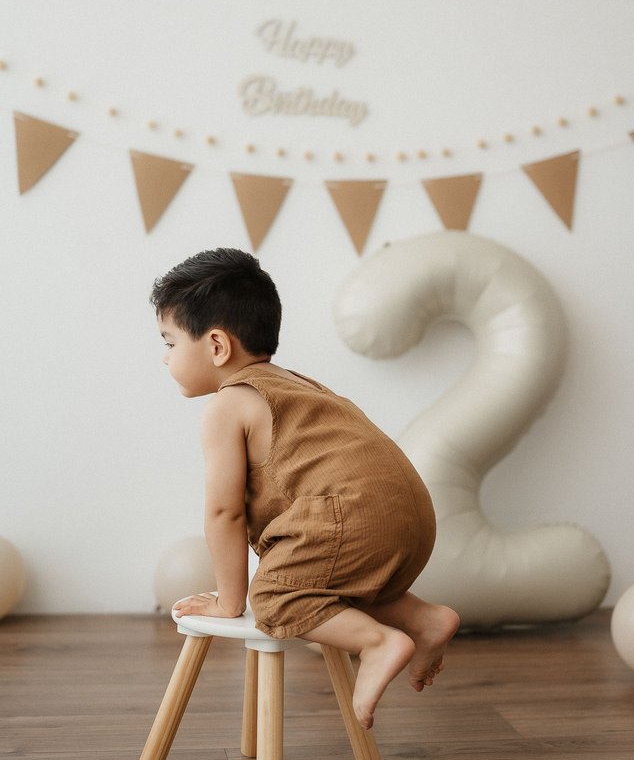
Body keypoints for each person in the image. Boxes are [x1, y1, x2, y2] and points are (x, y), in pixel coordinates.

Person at [150, 247, 459, 729]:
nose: (165, 357)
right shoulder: (297, 384)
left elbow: (225, 513)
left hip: (351, 517)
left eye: (170, 342)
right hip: (411, 513)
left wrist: (231, 601)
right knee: (329, 582)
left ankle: (378, 643)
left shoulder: (228, 406)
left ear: (216, 346)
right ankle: (423, 620)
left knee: (275, 595)